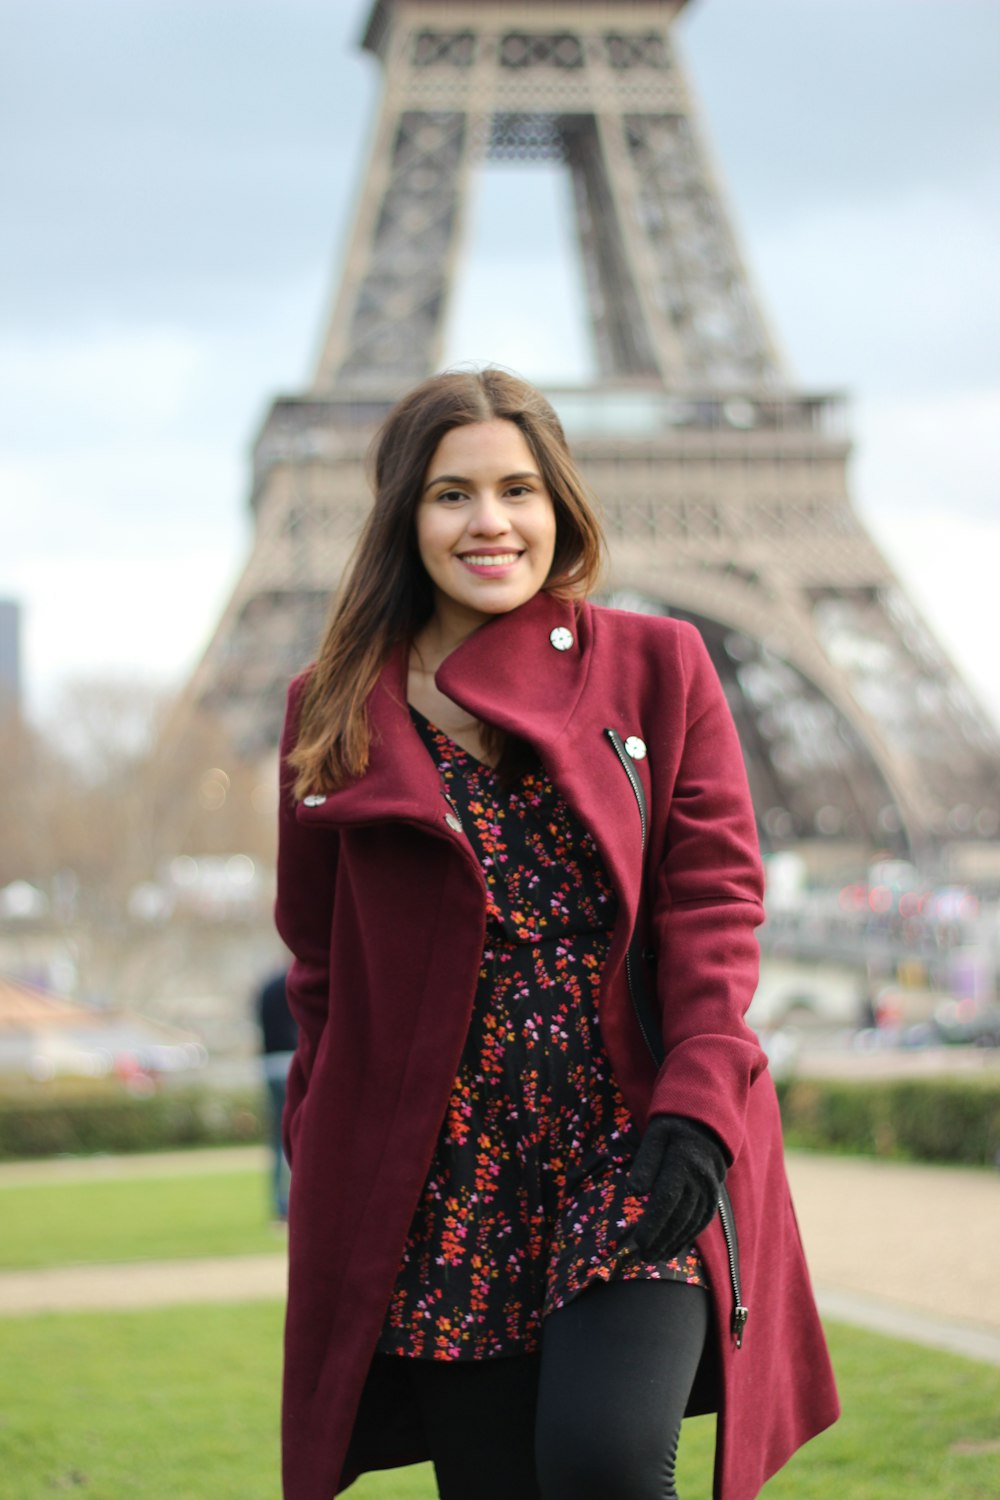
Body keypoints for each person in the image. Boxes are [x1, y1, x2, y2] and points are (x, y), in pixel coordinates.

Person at [274, 369, 838, 1500]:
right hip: (447, 1174)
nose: (490, 522)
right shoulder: (330, 708)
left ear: (559, 505)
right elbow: (319, 962)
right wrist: (321, 1132)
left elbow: (714, 906)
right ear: (403, 516)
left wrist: (697, 1106)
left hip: (634, 1141)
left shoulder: (656, 664)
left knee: (605, 1466)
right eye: (452, 495)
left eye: (518, 489)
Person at [256, 967, 296, 1221]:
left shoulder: (268, 987)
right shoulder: (291, 984)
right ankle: (294, 1199)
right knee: (298, 1136)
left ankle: (279, 1202)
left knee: (277, 1140)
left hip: (270, 1065)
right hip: (291, 1061)